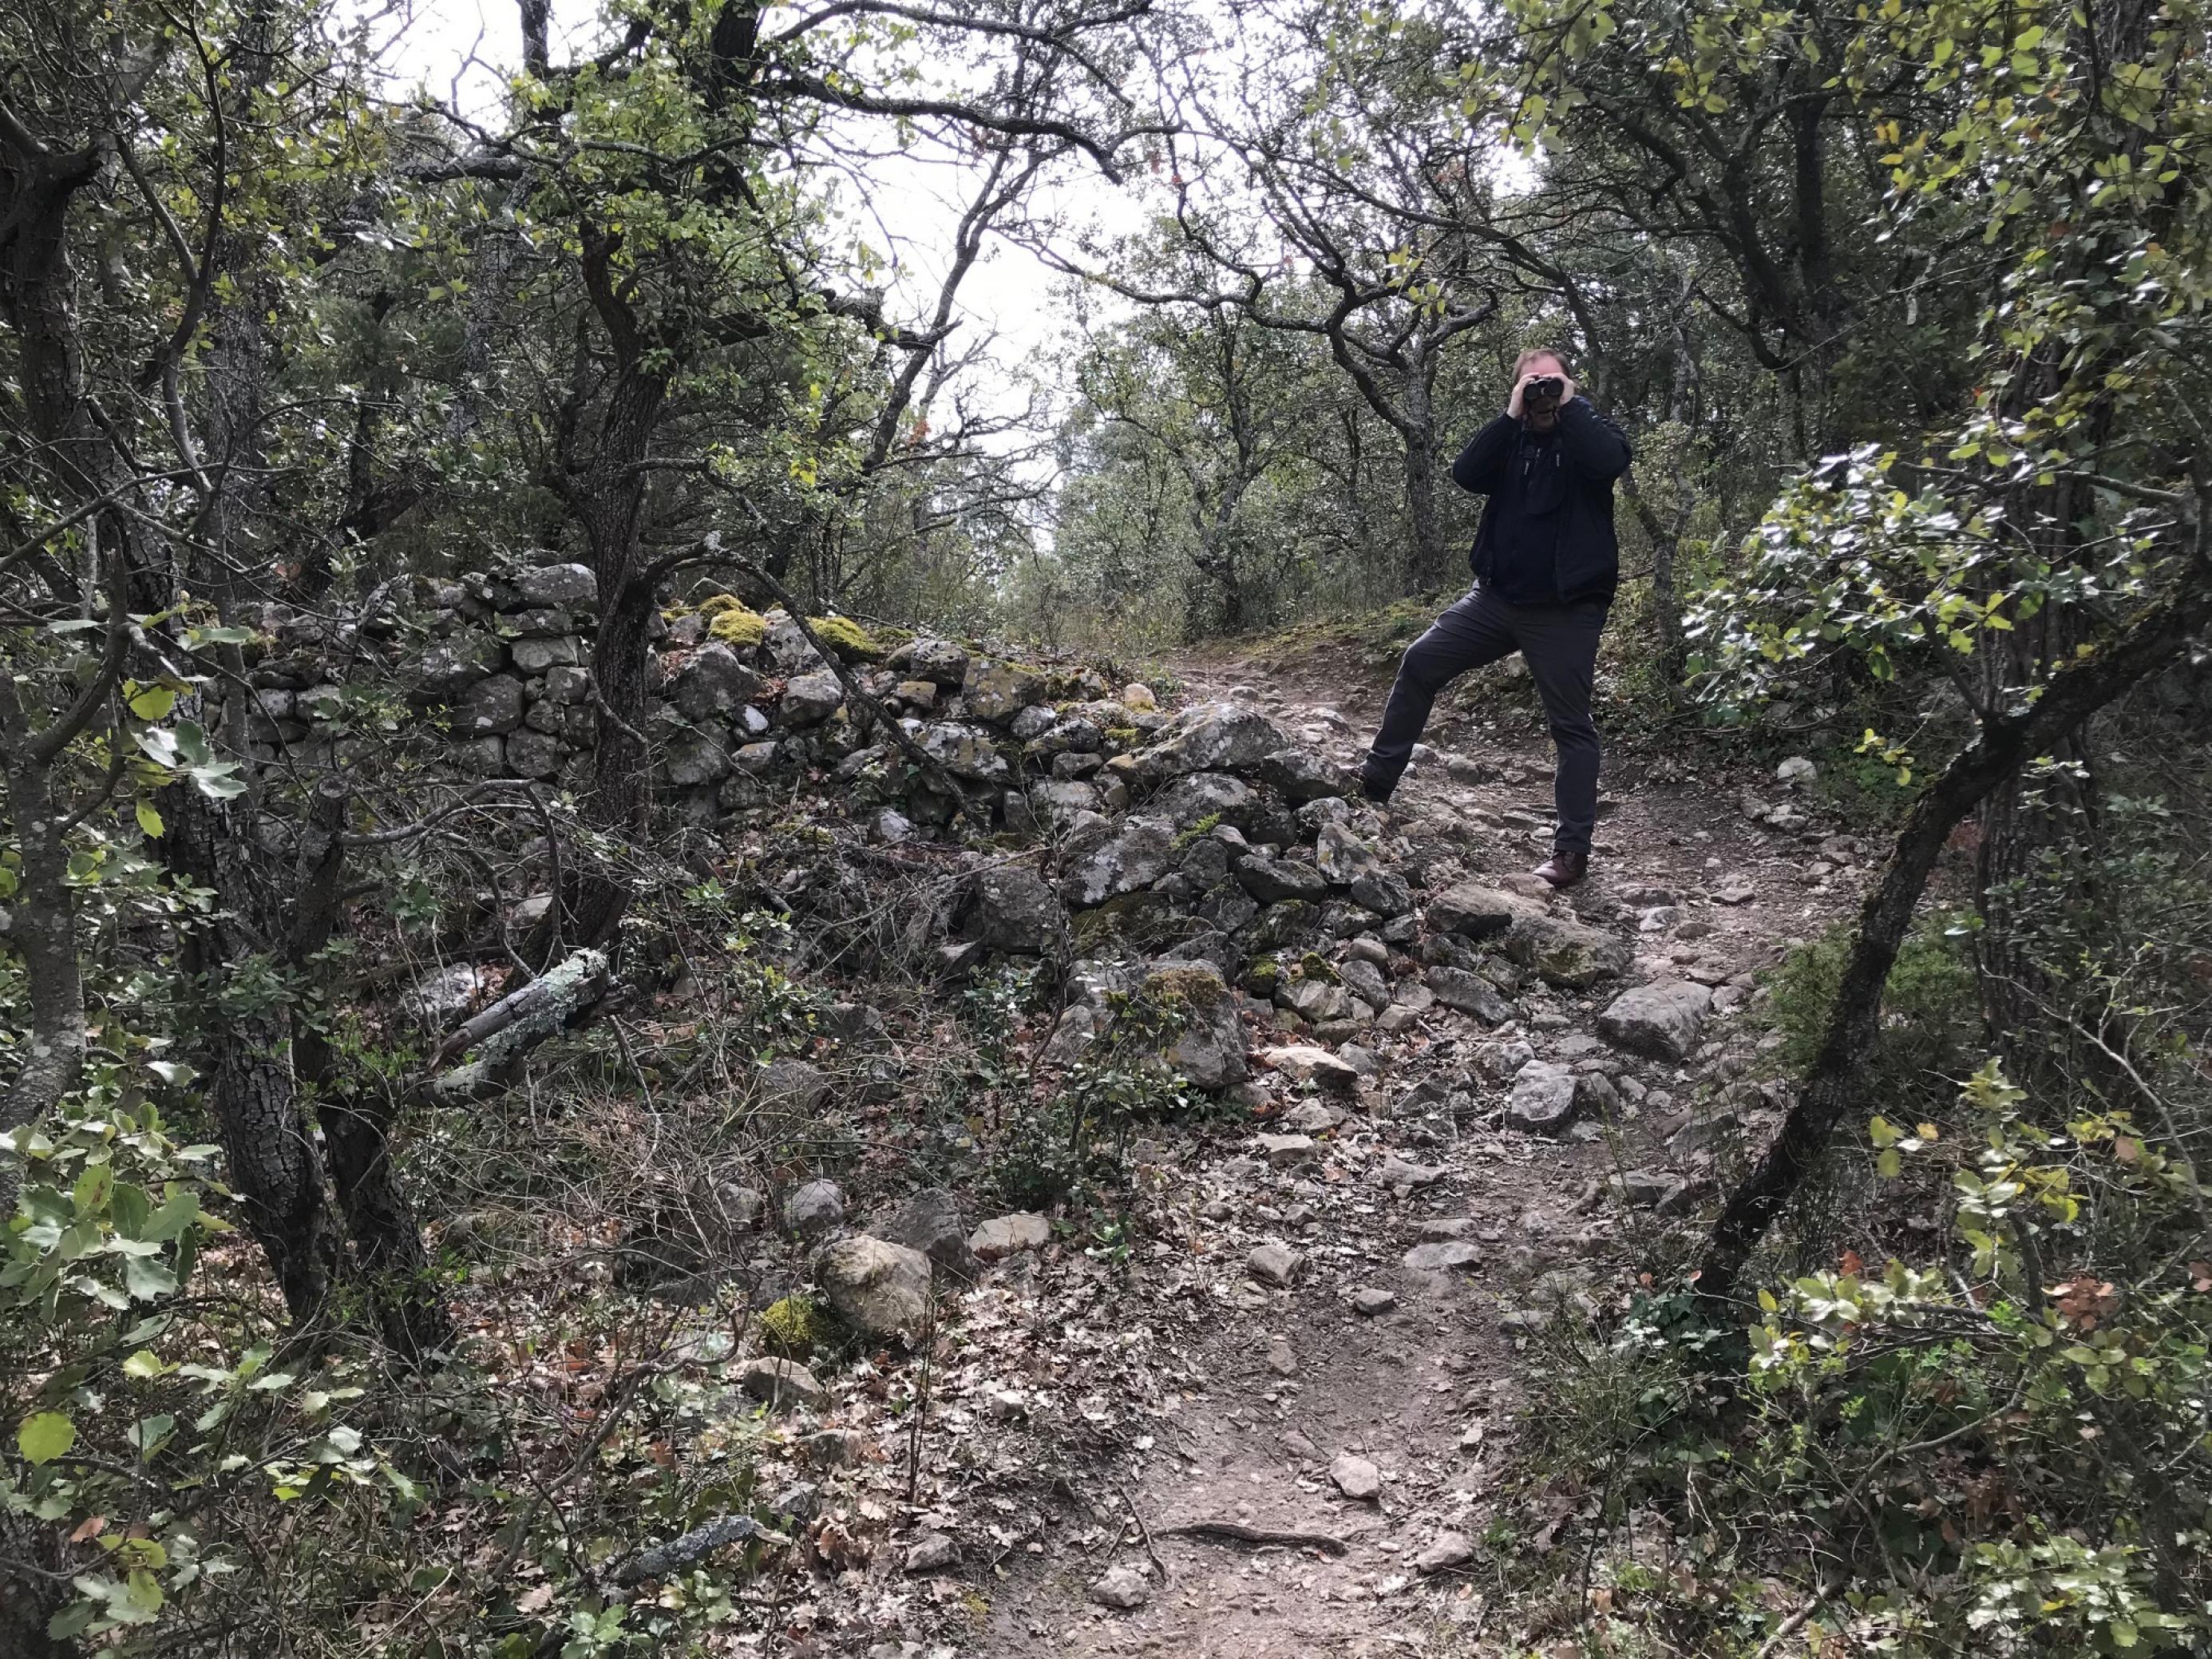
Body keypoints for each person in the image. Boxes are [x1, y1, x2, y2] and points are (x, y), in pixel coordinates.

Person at [1359, 347, 1632, 889]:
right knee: (1420, 662)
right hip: (1495, 600)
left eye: (1552, 382)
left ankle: (1570, 854)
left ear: (1571, 386)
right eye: (1533, 383)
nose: (1543, 392)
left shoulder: (1588, 436)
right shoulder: (1512, 441)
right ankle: (1374, 783)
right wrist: (1511, 413)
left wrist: (1571, 405)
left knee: (1570, 726)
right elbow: (1465, 473)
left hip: (1566, 610)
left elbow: (1610, 462)